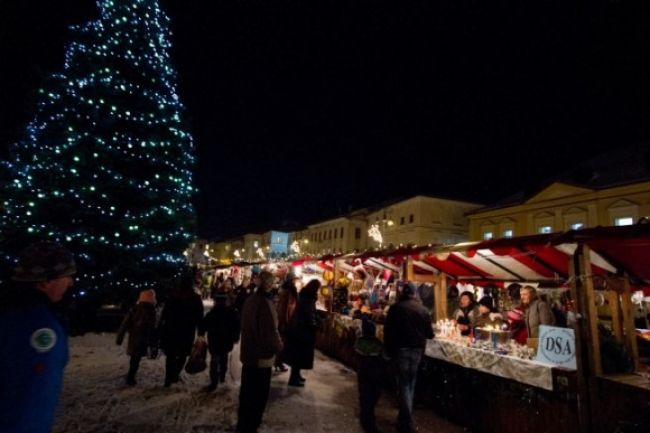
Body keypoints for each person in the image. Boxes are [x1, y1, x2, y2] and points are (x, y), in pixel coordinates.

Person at [0, 241, 76, 433]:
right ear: (45, 282)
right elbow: (30, 397)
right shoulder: (39, 328)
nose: (70, 283)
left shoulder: (12, 313)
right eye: (66, 276)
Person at [383, 282, 434, 433]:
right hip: (417, 350)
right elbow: (430, 334)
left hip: (401, 349)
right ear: (415, 293)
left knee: (404, 384)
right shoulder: (423, 309)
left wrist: (388, 349)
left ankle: (407, 421)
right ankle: (404, 419)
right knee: (410, 382)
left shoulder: (395, 308)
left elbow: (388, 330)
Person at [236, 271, 283, 433]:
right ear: (268, 284)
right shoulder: (265, 303)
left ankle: (243, 424)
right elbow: (269, 332)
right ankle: (251, 425)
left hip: (249, 352)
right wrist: (278, 347)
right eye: (272, 282)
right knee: (258, 394)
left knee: (247, 392)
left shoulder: (251, 300)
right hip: (260, 356)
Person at [158, 271, 204, 387]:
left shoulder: (172, 296)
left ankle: (169, 377)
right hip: (186, 330)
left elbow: (165, 313)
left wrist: (162, 325)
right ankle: (174, 374)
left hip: (171, 328)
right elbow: (199, 316)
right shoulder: (195, 298)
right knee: (182, 354)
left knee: (171, 354)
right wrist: (201, 331)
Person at [198, 290, 240, 391]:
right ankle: (222, 376)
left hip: (215, 340)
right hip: (226, 340)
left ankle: (214, 381)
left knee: (215, 359)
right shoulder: (231, 313)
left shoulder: (213, 313)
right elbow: (236, 326)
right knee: (223, 357)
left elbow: (204, 324)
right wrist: (235, 337)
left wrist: (201, 333)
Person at [116, 288, 158, 386]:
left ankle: (131, 376)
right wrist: (153, 342)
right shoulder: (151, 311)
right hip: (143, 339)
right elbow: (152, 328)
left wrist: (120, 337)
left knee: (134, 358)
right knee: (136, 359)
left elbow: (124, 324)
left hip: (134, 338)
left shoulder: (134, 309)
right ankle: (130, 377)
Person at [284, 279, 320, 387]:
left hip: (299, 330)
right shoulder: (309, 298)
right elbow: (309, 315)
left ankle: (296, 375)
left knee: (298, 355)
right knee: (299, 355)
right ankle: (293, 378)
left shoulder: (304, 295)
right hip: (303, 331)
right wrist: (314, 324)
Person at [354, 316, 385, 433]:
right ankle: (369, 420)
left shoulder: (359, 342)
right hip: (375, 374)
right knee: (372, 396)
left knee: (364, 395)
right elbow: (384, 357)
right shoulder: (378, 344)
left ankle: (365, 417)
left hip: (363, 373)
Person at [275, 275, 300, 372]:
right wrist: (286, 321)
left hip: (284, 319)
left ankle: (278, 362)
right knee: (283, 342)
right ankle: (279, 362)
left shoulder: (284, 290)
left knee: (282, 342)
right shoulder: (290, 291)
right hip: (286, 320)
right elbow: (286, 307)